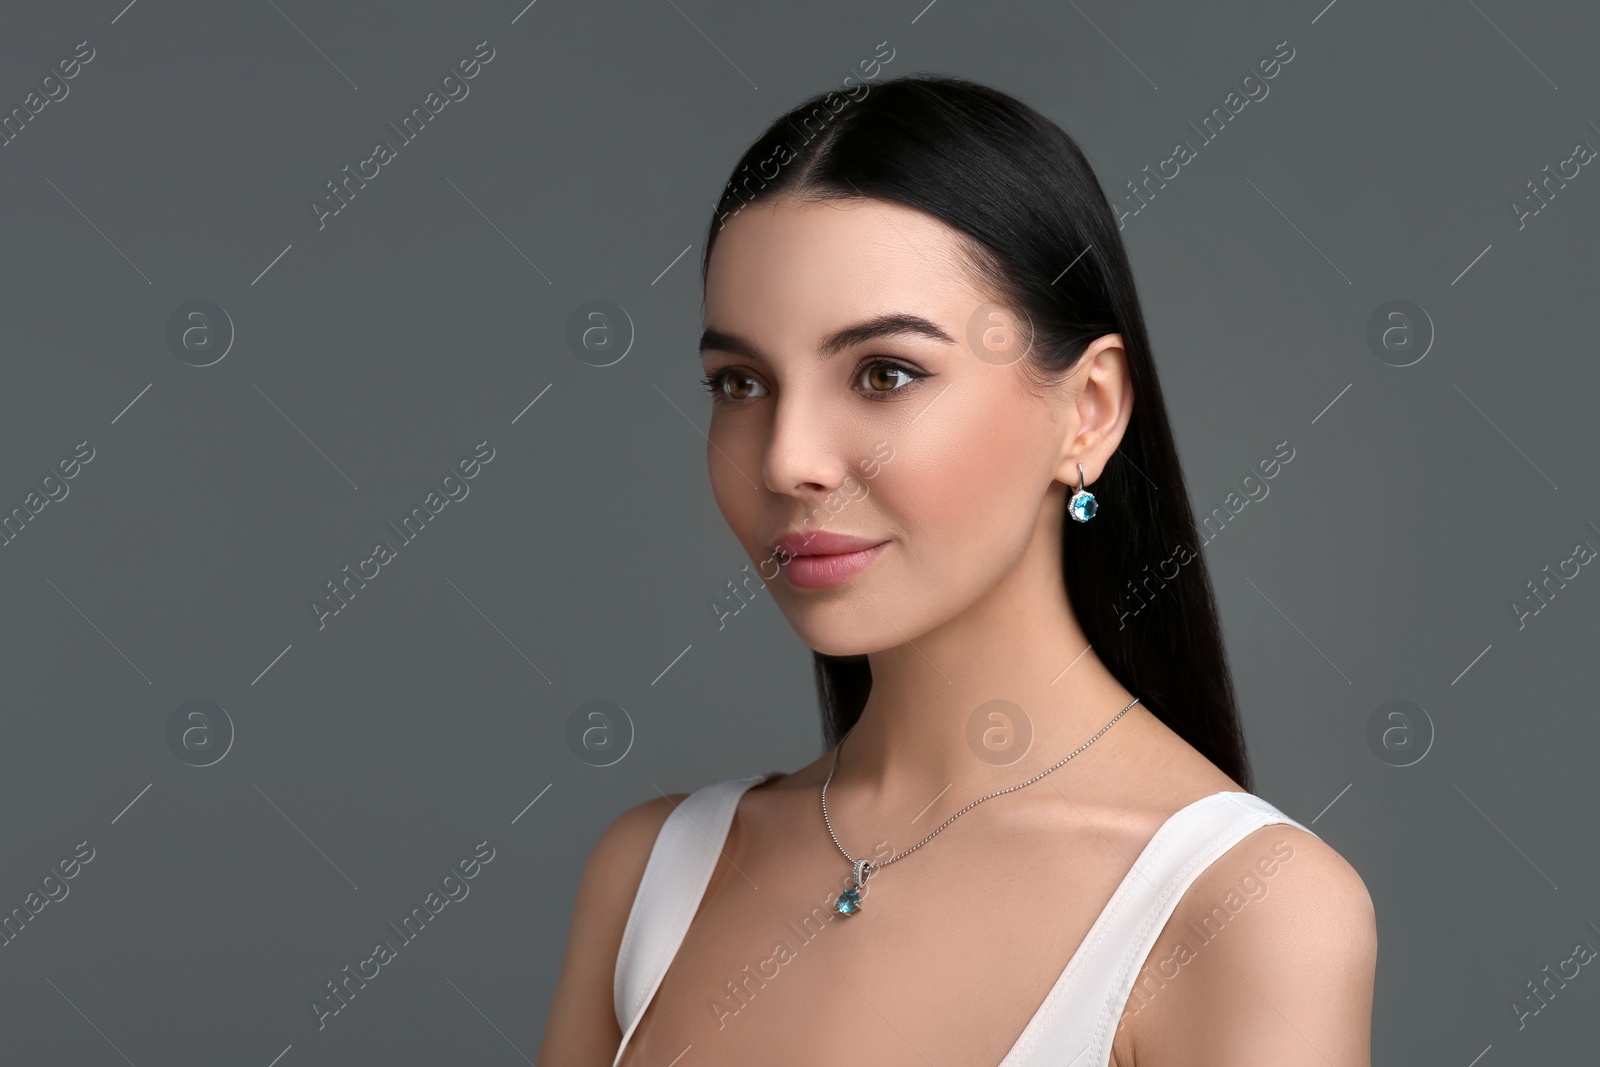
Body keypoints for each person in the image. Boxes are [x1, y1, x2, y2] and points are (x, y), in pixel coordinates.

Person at [539, 72, 1376, 1066]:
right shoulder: (650, 875)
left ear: (1089, 410)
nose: (785, 457)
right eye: (740, 382)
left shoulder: (1247, 911)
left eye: (885, 373)